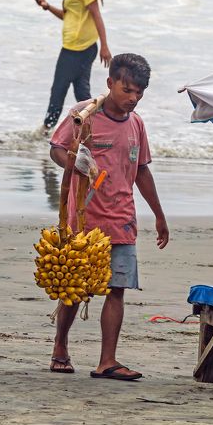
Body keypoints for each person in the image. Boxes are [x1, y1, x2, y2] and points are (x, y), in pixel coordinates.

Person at [47, 53, 168, 380]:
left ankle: (107, 361)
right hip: (84, 219)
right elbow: (56, 148)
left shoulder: (136, 124)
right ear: (110, 82)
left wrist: (159, 214)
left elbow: (141, 170)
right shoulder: (82, 115)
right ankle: (60, 345)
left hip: (122, 220)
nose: (133, 98)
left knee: (117, 288)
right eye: (127, 90)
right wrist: (76, 163)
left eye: (139, 93)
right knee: (75, 288)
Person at [31, 0, 113, 130]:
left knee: (58, 91)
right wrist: (47, 6)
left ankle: (45, 132)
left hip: (77, 49)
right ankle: (96, 129)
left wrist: (105, 46)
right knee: (82, 94)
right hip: (78, 47)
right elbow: (68, 16)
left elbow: (96, 14)